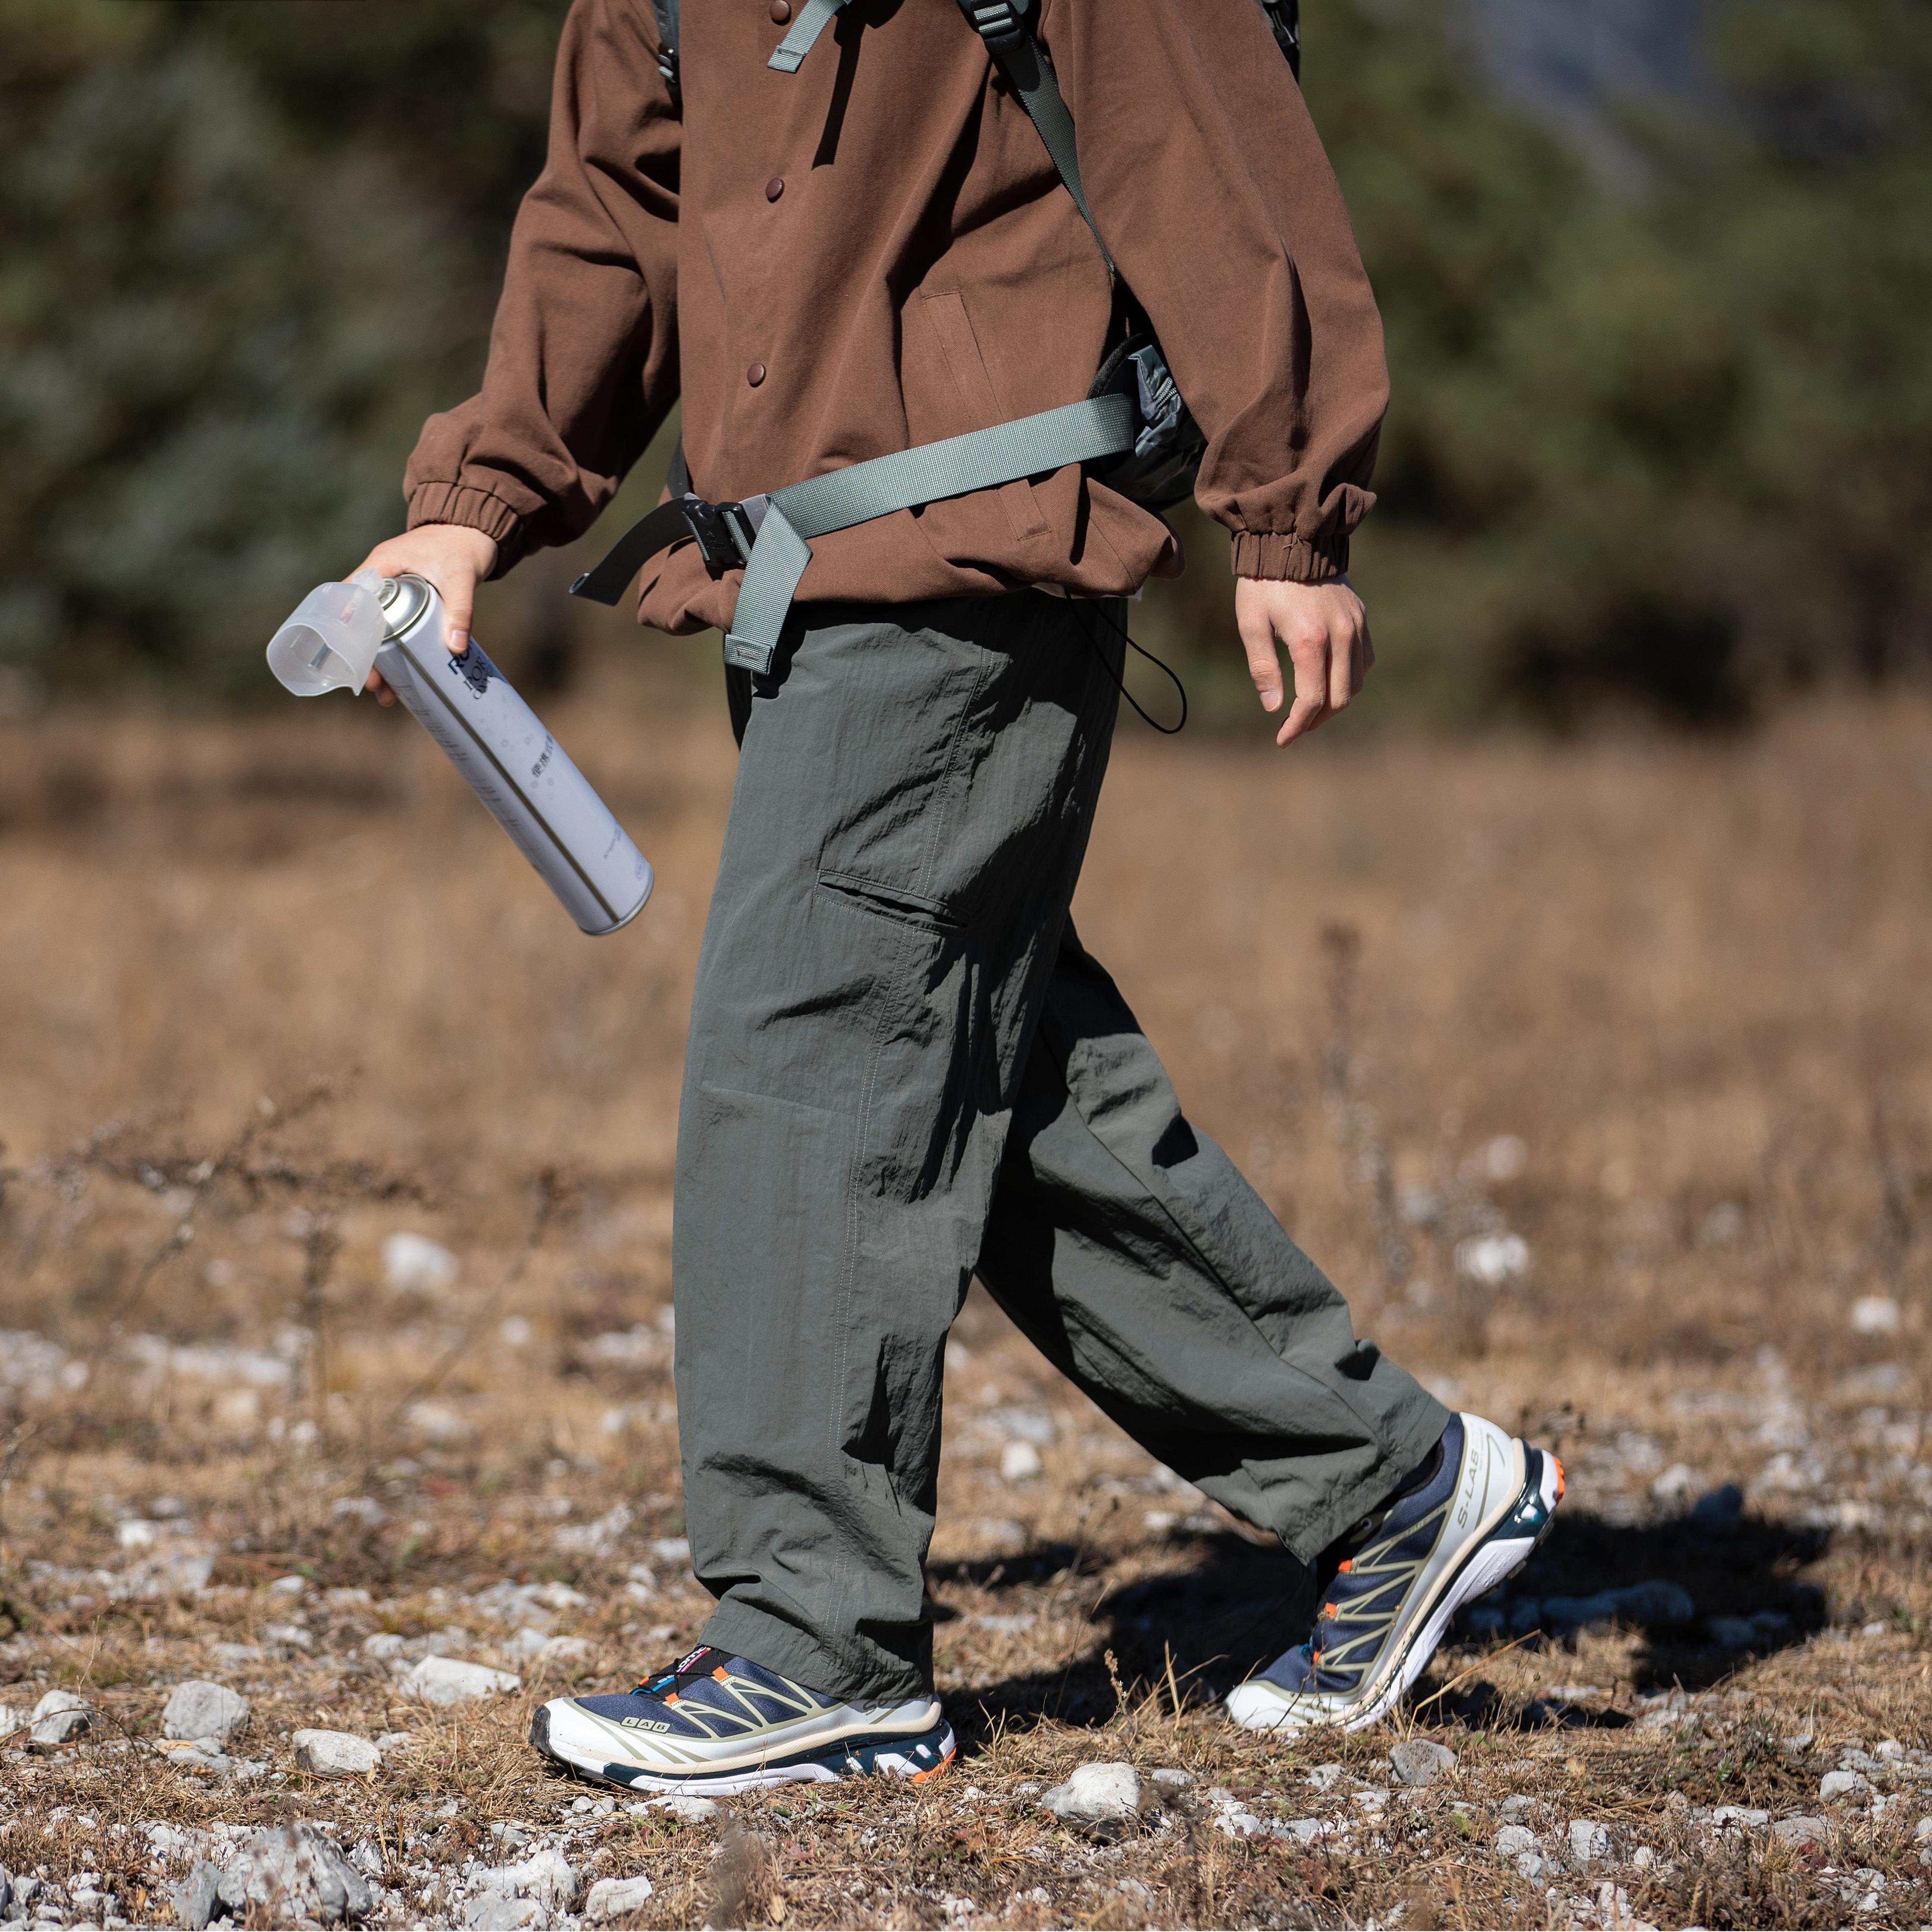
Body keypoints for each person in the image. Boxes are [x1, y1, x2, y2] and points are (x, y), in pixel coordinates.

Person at [356, 0, 1563, 1796]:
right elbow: (610, 208)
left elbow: (1209, 151)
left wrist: (1291, 517)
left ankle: (812, 1648)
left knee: (813, 1053)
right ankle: (1396, 1488)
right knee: (993, 1093)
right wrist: (478, 498)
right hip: (794, 575)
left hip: (977, 553)